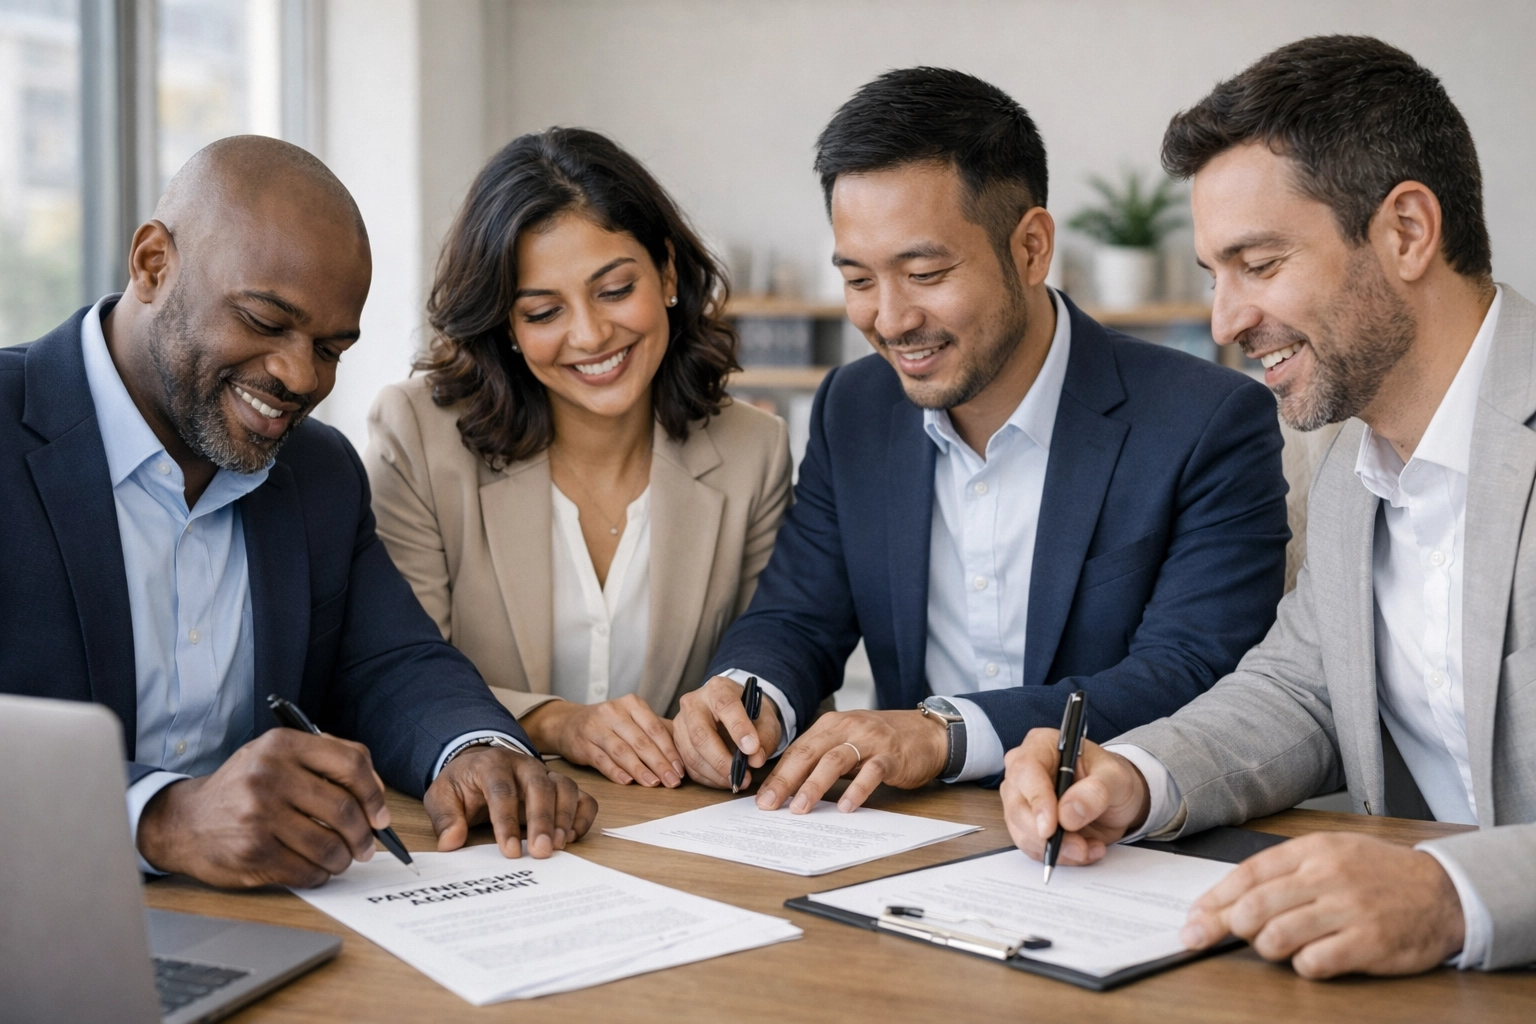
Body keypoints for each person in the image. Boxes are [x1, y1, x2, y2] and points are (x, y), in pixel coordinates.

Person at [1003, 35, 1536, 978]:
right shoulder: (1344, 473)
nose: (1225, 320)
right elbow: (1299, 691)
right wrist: (1132, 777)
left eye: (1258, 263)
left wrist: (1453, 894)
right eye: (1216, 276)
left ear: (1407, 231)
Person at [672, 68, 1291, 812]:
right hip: (901, 837)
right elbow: (799, 615)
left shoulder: (1208, 420)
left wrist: (944, 734)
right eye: (859, 279)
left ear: (1031, 248)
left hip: (1111, 833)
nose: (892, 319)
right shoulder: (853, 407)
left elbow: (1189, 671)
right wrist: (749, 695)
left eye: (925, 272)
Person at [0, 135, 596, 890]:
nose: (299, 375)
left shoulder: (318, 471)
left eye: (331, 348)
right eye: (264, 320)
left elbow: (389, 662)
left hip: (266, 926)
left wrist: (472, 749)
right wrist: (160, 819)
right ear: (153, 264)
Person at [365, 128, 791, 791]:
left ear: (669, 274)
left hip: (681, 834)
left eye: (615, 290)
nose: (590, 335)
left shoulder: (754, 452)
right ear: (506, 325)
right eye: (543, 311)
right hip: (488, 831)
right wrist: (555, 723)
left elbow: (782, 667)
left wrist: (747, 724)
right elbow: (393, 676)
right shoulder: (418, 437)